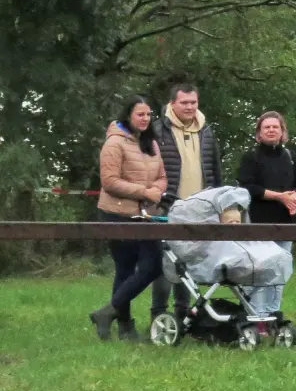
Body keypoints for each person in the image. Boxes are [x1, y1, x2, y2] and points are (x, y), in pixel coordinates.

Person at [88, 96, 168, 341]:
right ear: (128, 116)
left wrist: (156, 189)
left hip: (146, 215)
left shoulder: (151, 143)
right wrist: (145, 192)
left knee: (153, 265)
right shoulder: (114, 143)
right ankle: (125, 328)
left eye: (148, 114)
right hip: (117, 213)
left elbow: (162, 175)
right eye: (140, 114)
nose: (145, 119)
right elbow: (109, 182)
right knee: (124, 268)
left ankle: (106, 312)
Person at [149, 83, 223, 321]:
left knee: (187, 264)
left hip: (199, 209)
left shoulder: (207, 130)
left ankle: (182, 314)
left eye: (193, 102)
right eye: (184, 102)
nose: (190, 107)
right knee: (165, 265)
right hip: (167, 207)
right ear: (172, 104)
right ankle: (158, 315)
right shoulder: (157, 130)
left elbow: (215, 168)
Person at [236, 111, 296, 320]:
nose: (272, 130)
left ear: (282, 131)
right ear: (259, 133)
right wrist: (279, 197)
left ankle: (273, 313)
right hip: (259, 220)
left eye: (276, 127)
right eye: (267, 127)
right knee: (261, 269)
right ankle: (256, 315)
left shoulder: (291, 157)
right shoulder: (251, 157)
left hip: (286, 222)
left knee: (280, 269)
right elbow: (248, 187)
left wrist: (294, 196)